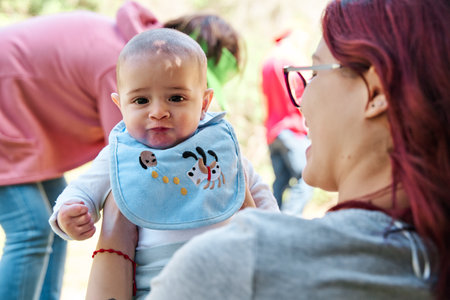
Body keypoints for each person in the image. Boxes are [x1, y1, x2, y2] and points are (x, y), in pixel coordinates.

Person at [86, 0, 450, 299]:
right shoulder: (428, 256)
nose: (301, 100)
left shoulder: (241, 265)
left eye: (315, 73)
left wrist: (114, 238)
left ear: (375, 93)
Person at [0, 1, 266, 299]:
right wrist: (71, 212)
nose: (158, 112)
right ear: (120, 105)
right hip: (154, 285)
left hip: (225, 278)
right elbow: (83, 189)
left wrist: (276, 230)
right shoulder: (124, 150)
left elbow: (252, 185)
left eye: (176, 98)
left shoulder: (216, 144)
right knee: (31, 229)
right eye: (141, 101)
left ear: (204, 103)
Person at [261, 30, 314, 213]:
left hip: (273, 131)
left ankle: (271, 223)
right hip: (292, 129)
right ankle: (288, 224)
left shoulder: (267, 61)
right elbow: (305, 93)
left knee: (280, 183)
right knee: (306, 180)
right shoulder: (293, 57)